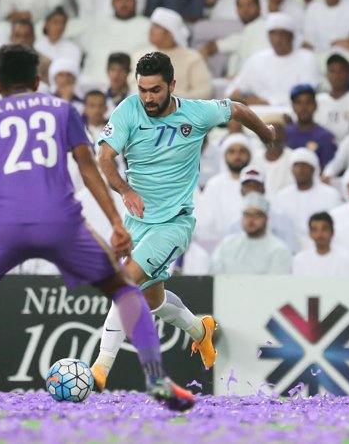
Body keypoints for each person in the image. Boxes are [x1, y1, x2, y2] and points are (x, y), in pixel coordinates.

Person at [0, 45, 194, 411]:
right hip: (61, 221)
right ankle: (156, 376)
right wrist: (116, 224)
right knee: (124, 290)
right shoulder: (63, 109)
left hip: (1, 225)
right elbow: (89, 168)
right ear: (39, 81)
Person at [92, 50, 275, 390]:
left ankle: (100, 370)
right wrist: (125, 191)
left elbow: (236, 108)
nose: (148, 97)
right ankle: (200, 329)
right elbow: (104, 158)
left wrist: (264, 132)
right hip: (137, 222)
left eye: (156, 90)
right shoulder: (128, 110)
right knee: (152, 299)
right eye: (143, 89)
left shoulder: (197, 112)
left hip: (174, 224)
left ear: (172, 85)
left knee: (125, 284)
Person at [226, 13, 319, 105]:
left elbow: (308, 95)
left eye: (283, 34)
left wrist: (268, 102)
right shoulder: (257, 59)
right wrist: (239, 96)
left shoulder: (307, 58)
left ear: (292, 36)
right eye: (273, 34)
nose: (278, 39)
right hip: (257, 113)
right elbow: (233, 89)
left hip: (292, 114)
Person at [210, 192, 292, 274]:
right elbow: (215, 273)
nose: (250, 220)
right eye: (247, 215)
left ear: (266, 219)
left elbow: (276, 283)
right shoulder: (227, 243)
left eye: (256, 215)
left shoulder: (278, 249)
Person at [284, 85, 338, 168]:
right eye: (299, 103)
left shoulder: (326, 137)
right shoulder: (284, 134)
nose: (303, 107)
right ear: (293, 107)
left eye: (308, 102)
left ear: (315, 105)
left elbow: (327, 171)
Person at [292, 211, 349, 276]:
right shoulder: (300, 260)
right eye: (315, 230)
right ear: (310, 233)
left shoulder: (345, 259)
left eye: (324, 229)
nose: (319, 234)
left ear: (332, 232)